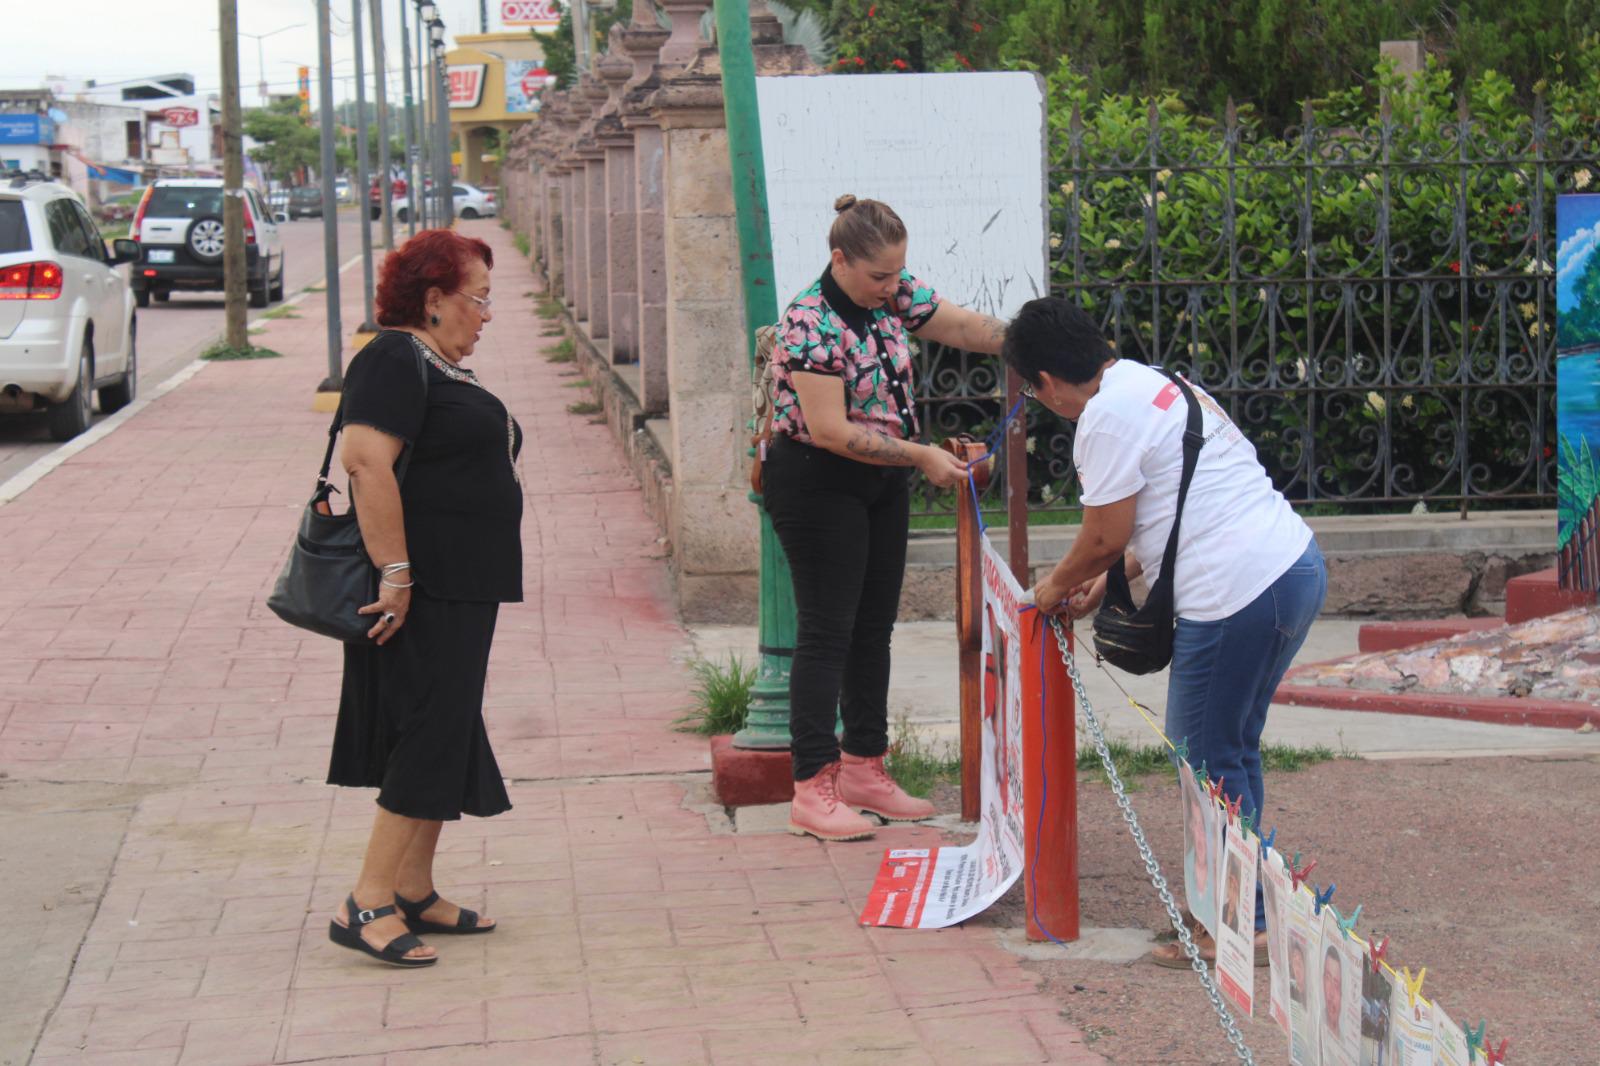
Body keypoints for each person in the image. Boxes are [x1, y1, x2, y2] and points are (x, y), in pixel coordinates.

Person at [1001, 297, 1327, 966]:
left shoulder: (1101, 419)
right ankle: (1234, 909)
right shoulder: (1158, 382)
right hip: (1292, 567)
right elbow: (1170, 505)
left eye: (1035, 392)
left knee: (1205, 757)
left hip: (1234, 593)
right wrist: (1110, 570)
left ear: (1049, 384)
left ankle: (1242, 923)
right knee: (1228, 750)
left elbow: (1102, 532)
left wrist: (1052, 590)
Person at [766, 194, 1009, 841]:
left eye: (899, 275)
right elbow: (829, 430)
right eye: (879, 277)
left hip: (881, 481)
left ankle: (863, 767)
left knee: (874, 628)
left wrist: (1028, 340)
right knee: (826, 632)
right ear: (839, 260)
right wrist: (922, 455)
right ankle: (811, 787)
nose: (893, 289)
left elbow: (957, 327)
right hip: (819, 482)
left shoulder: (890, 295)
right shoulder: (809, 321)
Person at [323, 229, 522, 967]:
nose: (487, 314)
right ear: (433, 300)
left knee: (449, 723)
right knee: (430, 726)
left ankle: (412, 887)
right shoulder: (390, 356)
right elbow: (366, 464)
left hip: (464, 582)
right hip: (427, 584)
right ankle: (365, 900)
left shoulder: (433, 364)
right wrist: (397, 573)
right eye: (479, 298)